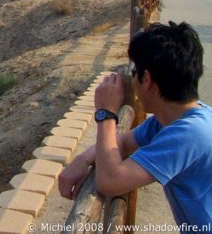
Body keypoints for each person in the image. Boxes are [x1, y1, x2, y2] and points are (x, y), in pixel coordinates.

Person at [58, 22, 209, 226]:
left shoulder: (189, 134)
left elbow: (111, 181)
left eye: (134, 72)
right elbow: (123, 143)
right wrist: (83, 159)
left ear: (146, 79)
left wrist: (106, 113)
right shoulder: (176, 119)